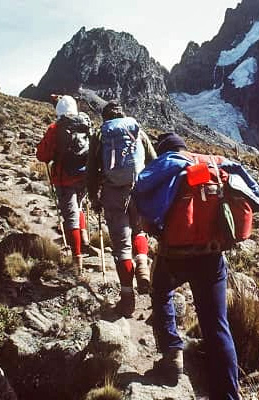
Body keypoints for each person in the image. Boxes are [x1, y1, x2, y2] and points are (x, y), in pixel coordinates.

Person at [133, 133, 259, 399]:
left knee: (161, 292)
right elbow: (256, 195)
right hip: (212, 255)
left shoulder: (168, 161)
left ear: (164, 150)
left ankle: (172, 354)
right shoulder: (215, 163)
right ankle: (228, 394)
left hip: (176, 255)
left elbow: (141, 186)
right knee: (217, 324)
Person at [87, 100, 156, 317]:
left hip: (113, 194)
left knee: (121, 247)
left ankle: (127, 300)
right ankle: (143, 267)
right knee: (139, 231)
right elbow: (154, 161)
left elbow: (91, 170)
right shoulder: (137, 131)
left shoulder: (101, 135)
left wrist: (94, 198)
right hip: (138, 190)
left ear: (106, 117)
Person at [36, 95, 91, 273]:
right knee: (79, 207)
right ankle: (84, 241)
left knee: (71, 217)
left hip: (64, 178)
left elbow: (43, 155)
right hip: (83, 176)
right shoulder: (85, 123)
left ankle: (77, 261)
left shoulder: (55, 128)